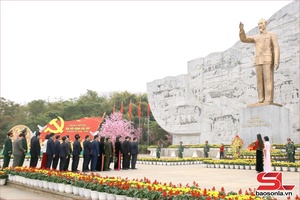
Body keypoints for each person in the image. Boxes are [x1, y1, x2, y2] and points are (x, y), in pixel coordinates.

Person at [239, 19, 280, 104]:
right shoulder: (256, 37)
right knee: (259, 80)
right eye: (258, 24)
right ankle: (261, 98)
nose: (259, 25)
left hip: (268, 59)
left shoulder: (271, 35)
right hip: (258, 60)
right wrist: (241, 30)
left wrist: (276, 60)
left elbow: (276, 47)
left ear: (265, 24)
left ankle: (268, 99)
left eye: (261, 23)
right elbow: (244, 39)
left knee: (268, 79)